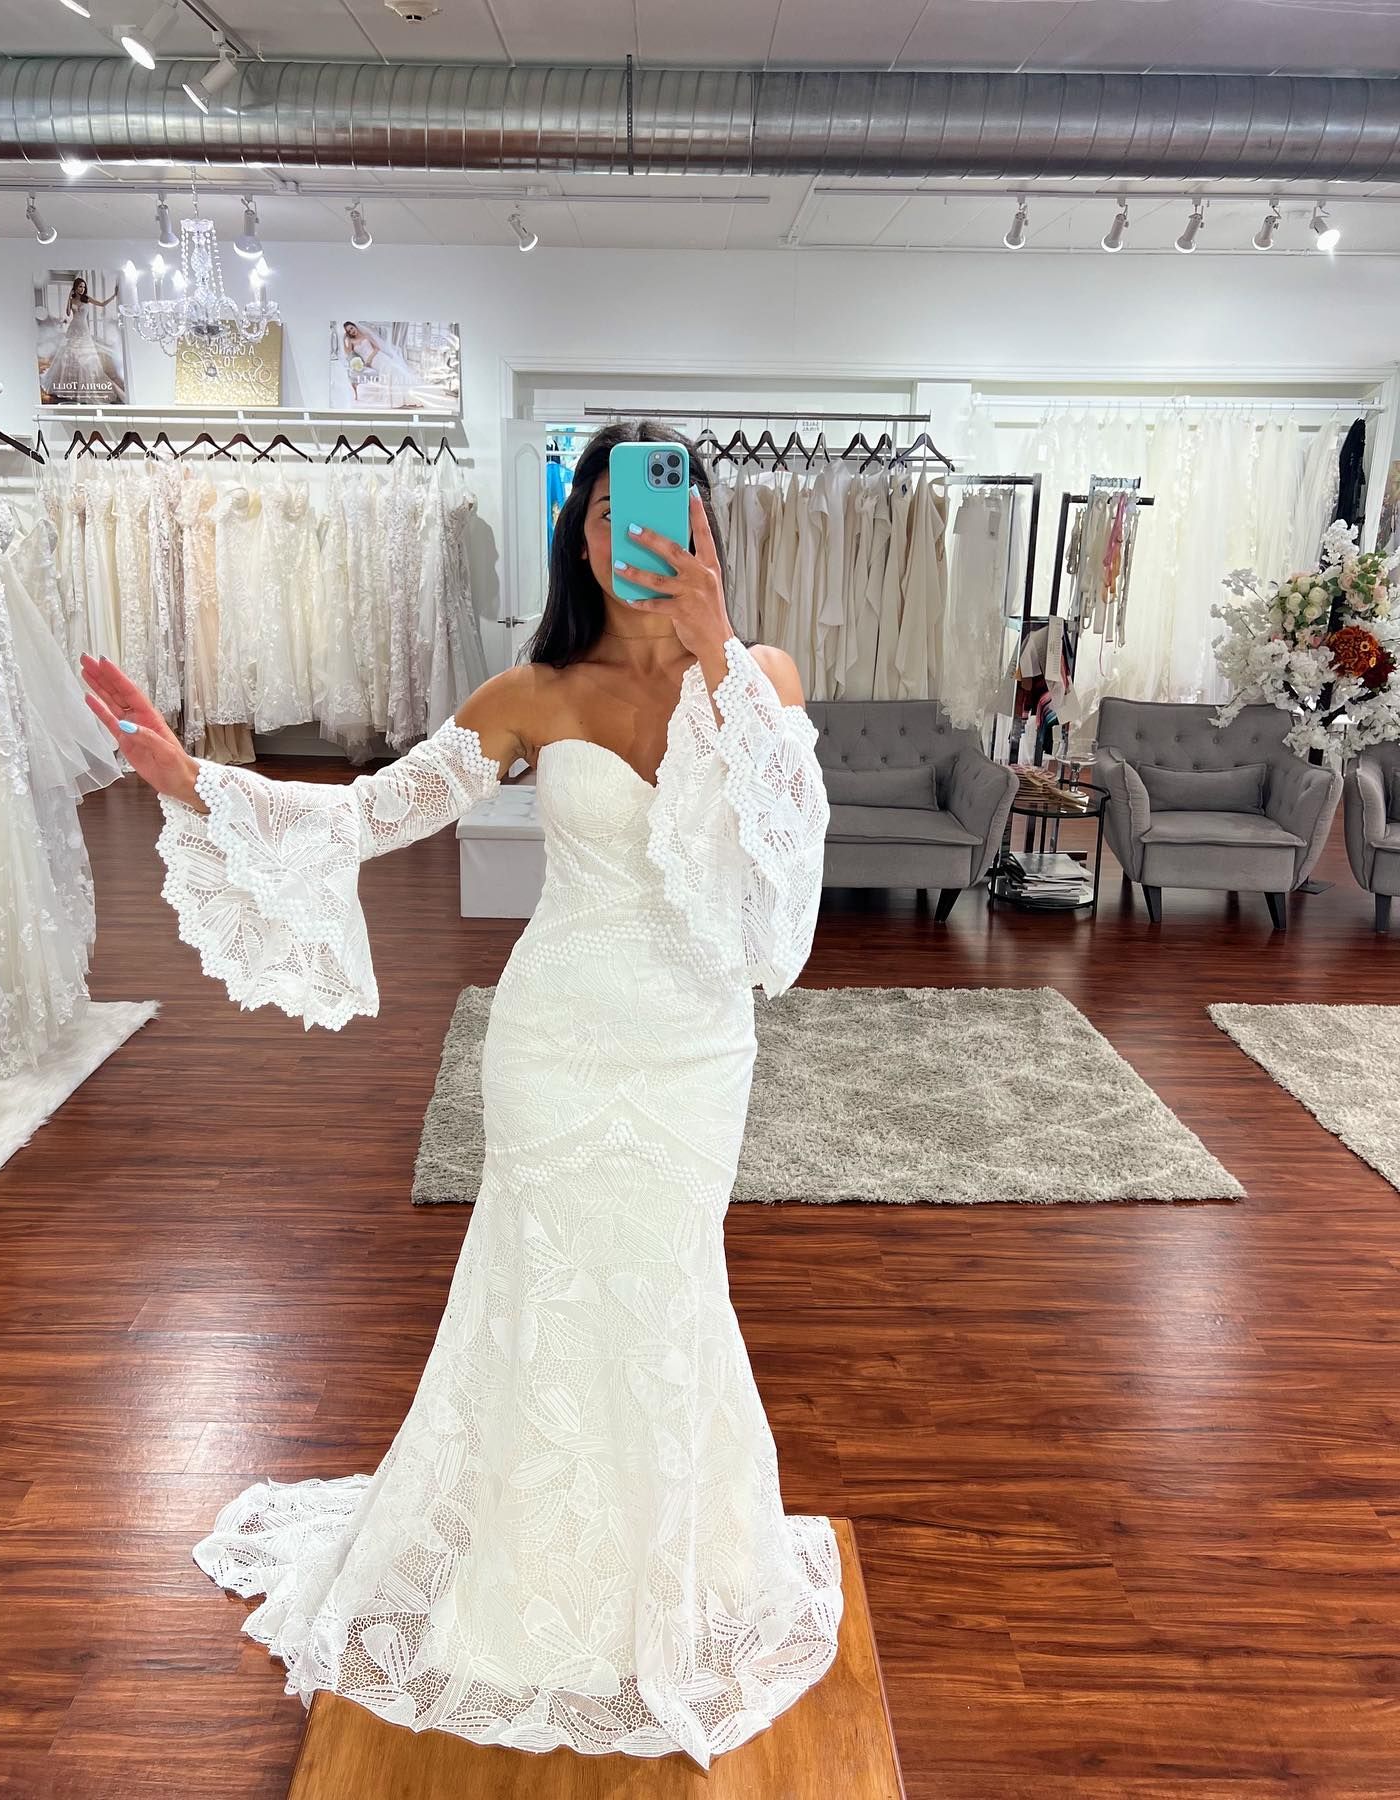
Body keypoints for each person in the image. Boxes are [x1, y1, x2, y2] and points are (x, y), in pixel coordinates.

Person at [78, 420, 840, 1768]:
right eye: (603, 507)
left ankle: (668, 1570)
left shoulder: (762, 676)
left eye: (657, 504)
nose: (626, 529)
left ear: (704, 524)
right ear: (579, 532)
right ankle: (533, 1583)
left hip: (693, 1053)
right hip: (557, 1044)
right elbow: (375, 812)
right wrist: (189, 780)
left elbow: (786, 860)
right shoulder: (534, 693)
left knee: (667, 1289)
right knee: (553, 1289)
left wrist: (717, 645)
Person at [41, 275, 121, 404]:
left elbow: (102, 304)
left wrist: (114, 296)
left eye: (84, 287)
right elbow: (68, 313)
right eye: (80, 286)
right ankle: (68, 386)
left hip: (83, 329)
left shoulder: (87, 299)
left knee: (86, 358)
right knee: (68, 355)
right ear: (75, 288)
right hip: (73, 329)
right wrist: (68, 297)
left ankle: (84, 385)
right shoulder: (72, 300)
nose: (82, 289)